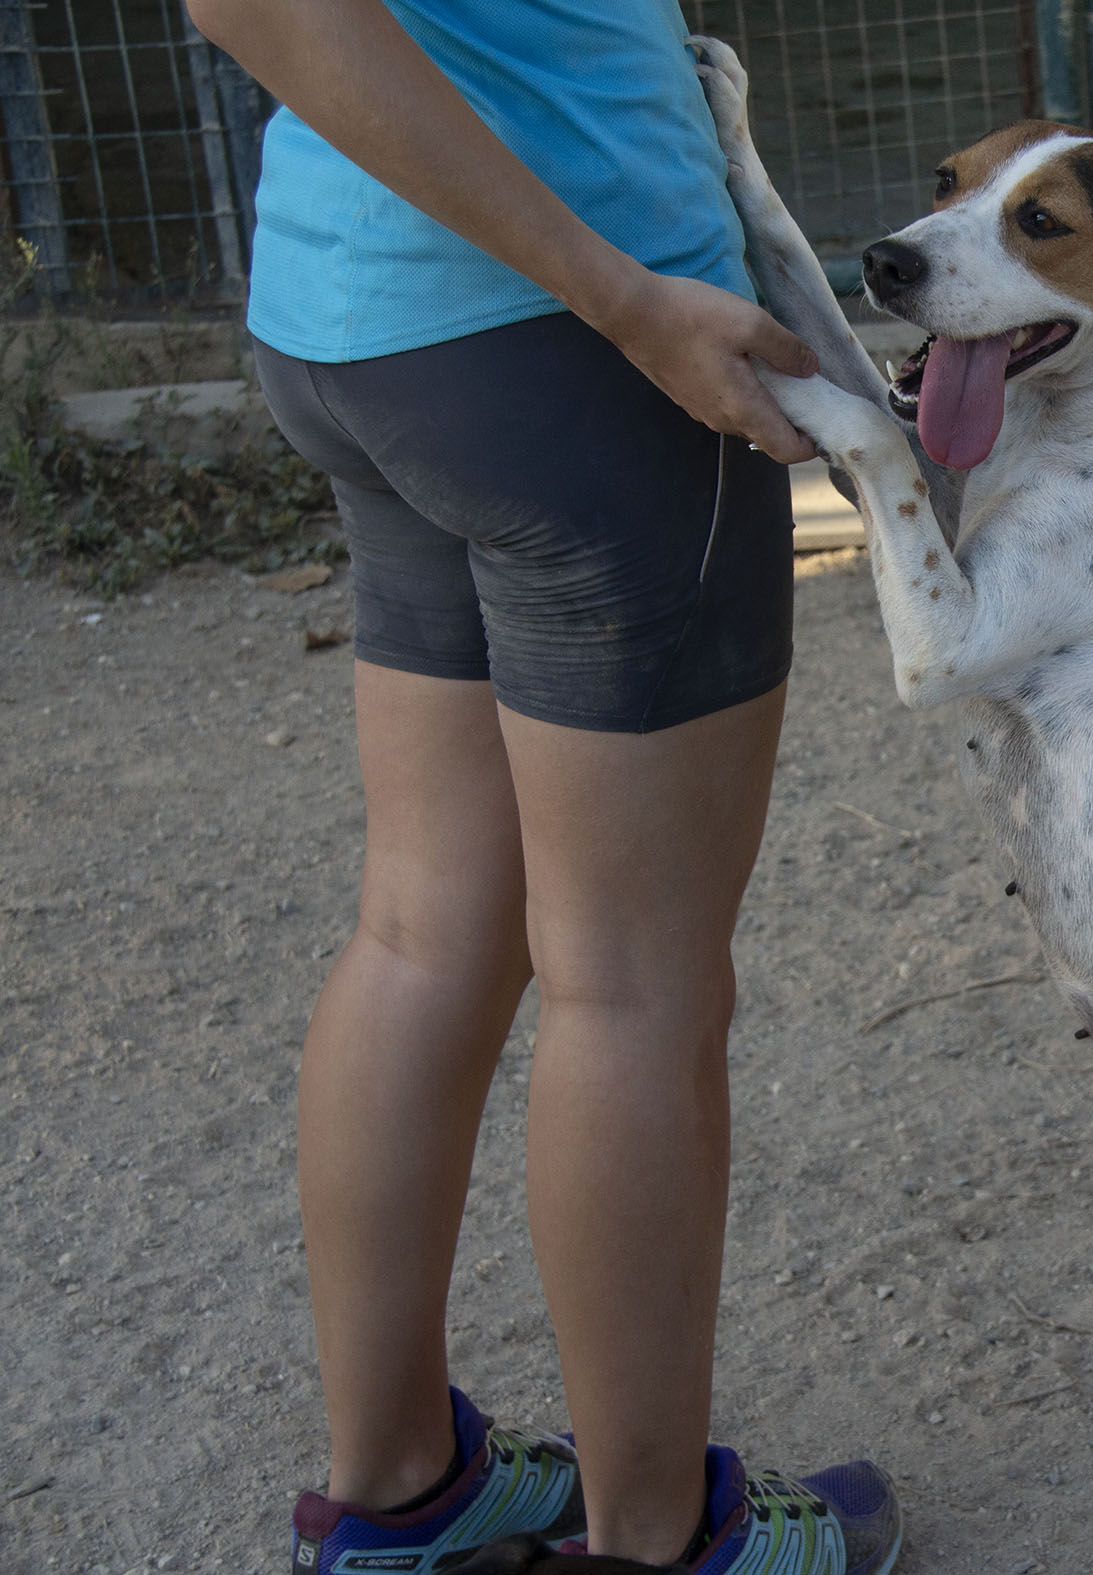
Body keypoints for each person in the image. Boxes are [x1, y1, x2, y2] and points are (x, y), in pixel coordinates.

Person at [183, 2, 898, 1570]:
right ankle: (659, 1541)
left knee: (423, 934)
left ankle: (400, 1490)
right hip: (579, 355)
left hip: (362, 323)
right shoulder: (605, 314)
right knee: (631, 983)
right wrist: (625, 301)